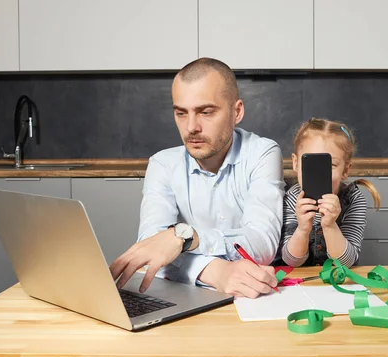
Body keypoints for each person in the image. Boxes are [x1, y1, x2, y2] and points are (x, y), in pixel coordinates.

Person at [109, 57, 285, 299]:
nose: (191, 127)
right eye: (181, 113)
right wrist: (216, 272)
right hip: (189, 299)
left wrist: (184, 237)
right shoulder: (162, 164)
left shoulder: (262, 153)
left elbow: (262, 244)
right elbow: (150, 253)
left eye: (206, 112)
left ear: (237, 111)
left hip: (256, 296)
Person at [274, 118, 381, 268]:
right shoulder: (291, 198)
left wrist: (330, 226)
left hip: (339, 280)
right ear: (296, 164)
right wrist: (303, 229)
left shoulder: (353, 199)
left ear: (345, 170)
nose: (318, 173)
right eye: (311, 163)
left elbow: (347, 262)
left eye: (330, 165)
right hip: (302, 284)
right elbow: (291, 261)